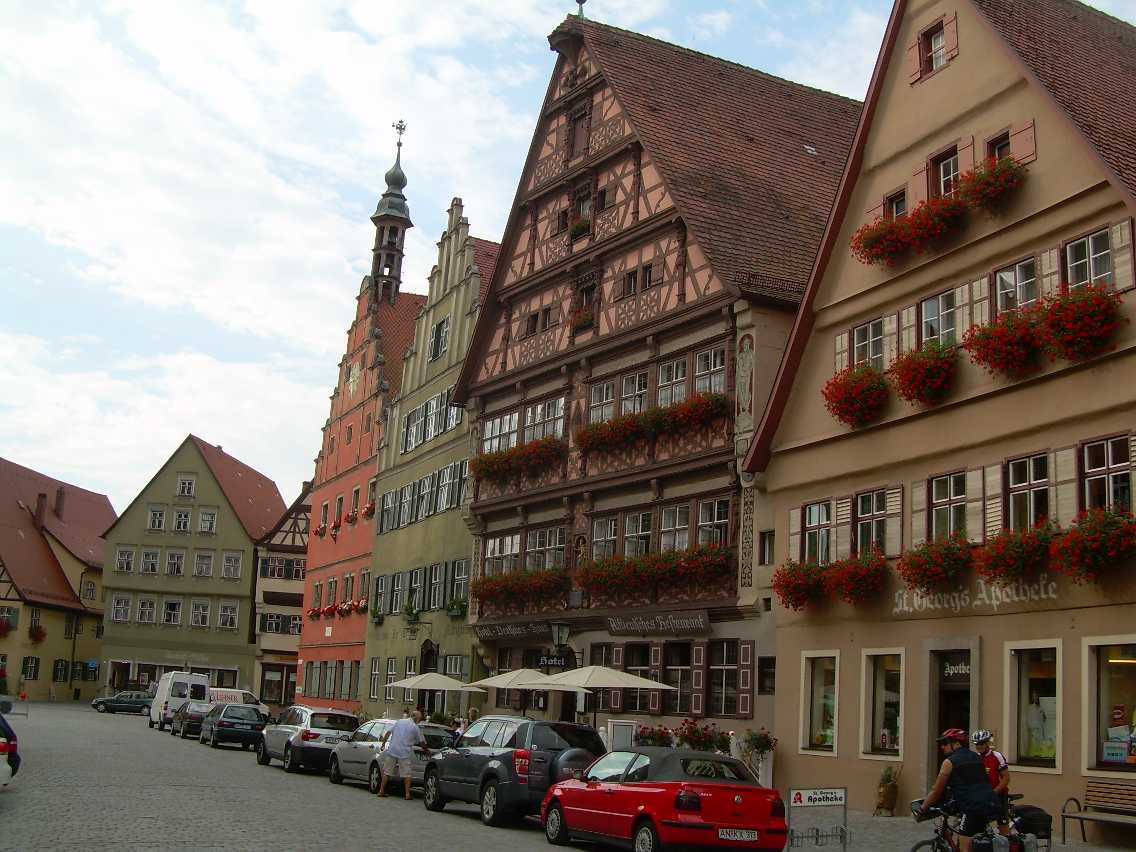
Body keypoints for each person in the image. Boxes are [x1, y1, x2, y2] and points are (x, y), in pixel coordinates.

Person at [916, 728, 1001, 852]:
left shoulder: (949, 762)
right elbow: (972, 783)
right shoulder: (977, 757)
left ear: (956, 743)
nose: (942, 747)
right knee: (977, 842)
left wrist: (922, 809)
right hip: (990, 803)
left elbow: (936, 790)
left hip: (972, 808)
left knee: (964, 846)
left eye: (945, 743)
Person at [379, 709, 429, 800]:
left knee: (387, 772)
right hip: (404, 753)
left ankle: (381, 791)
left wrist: (383, 744)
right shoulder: (415, 727)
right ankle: (407, 794)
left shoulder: (400, 721)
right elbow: (422, 742)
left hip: (392, 750)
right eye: (420, 719)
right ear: (416, 718)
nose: (419, 721)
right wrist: (427, 751)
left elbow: (388, 733)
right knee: (407, 774)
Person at [971, 729, 1011, 836]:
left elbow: (1006, 778)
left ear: (987, 743)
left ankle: (1007, 841)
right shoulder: (975, 758)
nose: (979, 746)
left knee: (1002, 825)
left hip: (999, 795)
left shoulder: (997, 756)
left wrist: (994, 793)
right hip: (982, 796)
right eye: (977, 744)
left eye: (982, 743)